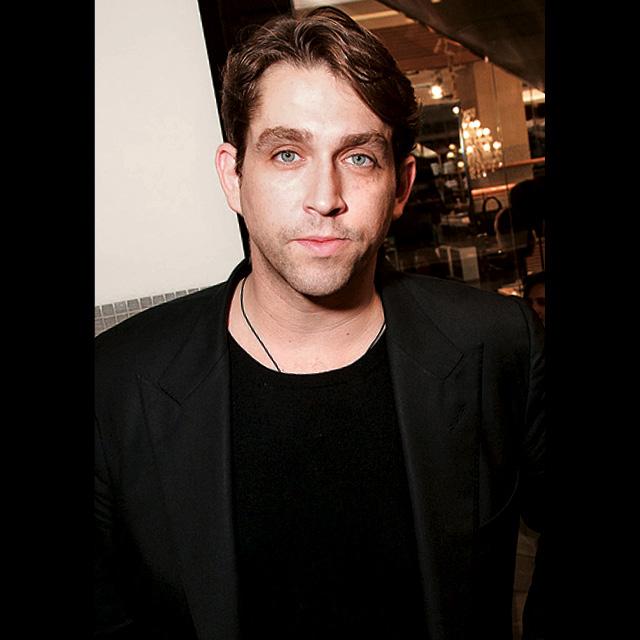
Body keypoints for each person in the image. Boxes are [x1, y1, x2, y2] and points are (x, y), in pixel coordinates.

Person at [95, 7, 545, 639]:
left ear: (400, 186)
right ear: (233, 177)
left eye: (358, 157)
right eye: (287, 153)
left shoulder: (499, 342)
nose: (325, 197)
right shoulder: (117, 382)